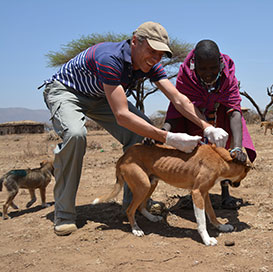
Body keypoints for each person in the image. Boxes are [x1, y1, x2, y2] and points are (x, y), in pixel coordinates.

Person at [40, 22, 229, 236]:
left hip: (101, 96)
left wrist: (206, 127)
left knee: (142, 132)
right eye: (151, 51)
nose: (155, 58)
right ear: (134, 42)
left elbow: (178, 99)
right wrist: (168, 137)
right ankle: (64, 213)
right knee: (75, 135)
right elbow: (121, 115)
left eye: (160, 54)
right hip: (67, 92)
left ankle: (135, 203)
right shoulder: (109, 58)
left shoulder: (151, 64)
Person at [163, 39, 256, 209]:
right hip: (194, 116)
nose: (208, 74)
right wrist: (162, 133)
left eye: (213, 68)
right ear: (194, 65)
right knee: (196, 150)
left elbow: (234, 108)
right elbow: (178, 107)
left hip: (221, 114)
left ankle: (226, 194)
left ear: (220, 64)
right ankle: (195, 190)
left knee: (226, 150)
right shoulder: (185, 74)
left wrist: (237, 147)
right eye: (202, 69)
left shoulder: (228, 71)